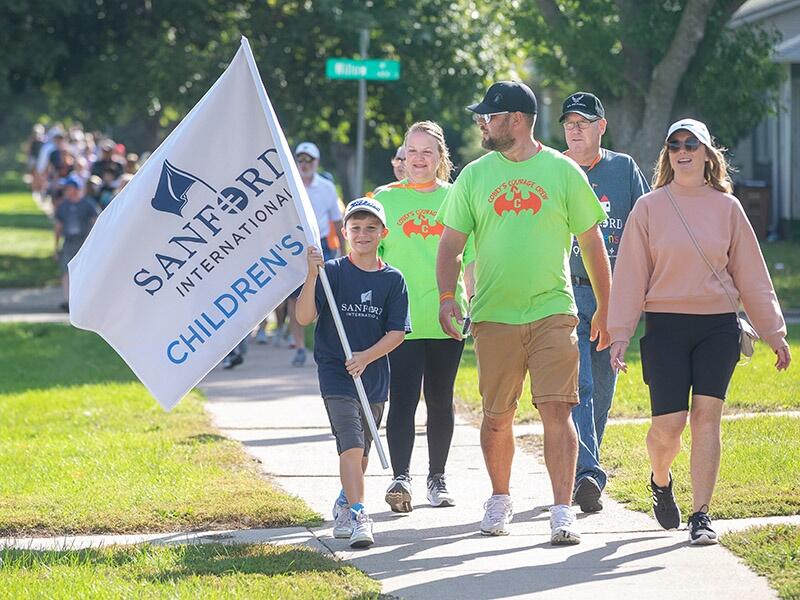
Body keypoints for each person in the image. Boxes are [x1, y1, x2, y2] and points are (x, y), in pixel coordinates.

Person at [436, 81, 611, 545]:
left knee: (559, 410)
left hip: (554, 309)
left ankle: (560, 510)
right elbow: (451, 243)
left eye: (488, 117)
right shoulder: (473, 176)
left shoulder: (563, 171)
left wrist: (608, 308)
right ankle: (499, 497)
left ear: (514, 120)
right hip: (493, 314)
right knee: (497, 415)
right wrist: (445, 297)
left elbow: (593, 243)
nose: (482, 124)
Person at [608, 118, 791, 545]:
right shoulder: (649, 207)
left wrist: (774, 331)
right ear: (667, 155)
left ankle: (702, 514)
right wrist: (620, 332)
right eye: (675, 145)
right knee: (668, 427)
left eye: (692, 144)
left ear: (709, 154)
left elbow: (752, 275)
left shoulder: (728, 208)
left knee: (707, 418)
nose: (683, 151)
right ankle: (660, 479)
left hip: (718, 327)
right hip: (667, 326)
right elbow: (632, 274)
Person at [296, 196, 410, 549]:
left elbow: (396, 333)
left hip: (372, 375)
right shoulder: (331, 273)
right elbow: (303, 318)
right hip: (335, 371)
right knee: (351, 440)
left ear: (383, 233)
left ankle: (345, 500)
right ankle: (361, 514)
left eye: (370, 228)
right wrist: (312, 274)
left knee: (362, 454)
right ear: (344, 232)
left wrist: (366, 357)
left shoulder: (393, 279)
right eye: (356, 228)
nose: (363, 234)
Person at [374, 121, 472, 512]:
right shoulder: (386, 199)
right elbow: (369, 258)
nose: (418, 159)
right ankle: (401, 478)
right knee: (402, 399)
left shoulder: (457, 197)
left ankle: (437, 477)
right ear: (403, 156)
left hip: (447, 316)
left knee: (440, 398)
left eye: (427, 151)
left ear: (440, 157)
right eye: (411, 151)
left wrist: (475, 307)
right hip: (401, 321)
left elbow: (472, 259)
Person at [559, 92, 651, 513]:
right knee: (580, 387)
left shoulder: (624, 169)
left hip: (613, 293)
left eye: (584, 121)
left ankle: (580, 470)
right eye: (569, 122)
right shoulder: (554, 169)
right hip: (564, 291)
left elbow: (646, 225)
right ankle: (588, 475)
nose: (575, 129)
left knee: (602, 390)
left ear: (602, 126)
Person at [286, 141, 347, 367]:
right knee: (295, 299)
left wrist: (343, 251)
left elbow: (337, 220)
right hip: (294, 246)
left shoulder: (326, 187)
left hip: (321, 244)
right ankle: (299, 345)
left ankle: (324, 345)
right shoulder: (289, 186)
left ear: (316, 162)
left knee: (325, 297)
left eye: (308, 160)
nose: (304, 164)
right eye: (300, 160)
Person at [54, 175, 99, 311]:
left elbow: (96, 222)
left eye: (69, 188)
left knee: (86, 271)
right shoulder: (63, 206)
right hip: (69, 242)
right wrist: (55, 247)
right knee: (66, 272)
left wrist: (95, 242)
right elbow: (58, 227)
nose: (67, 191)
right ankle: (68, 301)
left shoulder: (88, 204)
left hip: (85, 243)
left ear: (75, 189)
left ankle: (86, 301)